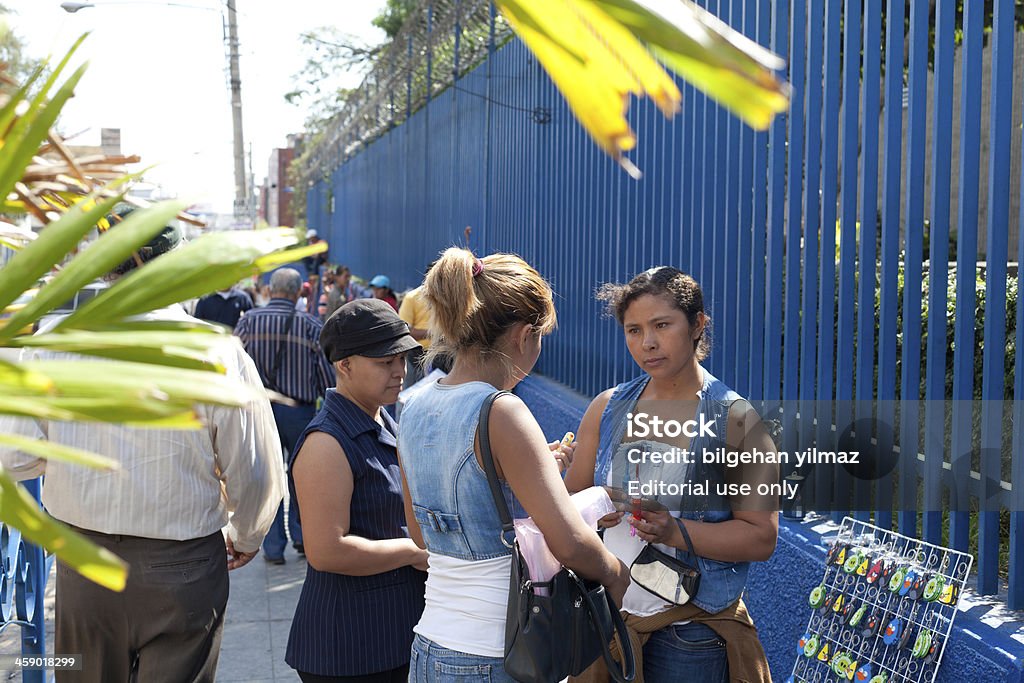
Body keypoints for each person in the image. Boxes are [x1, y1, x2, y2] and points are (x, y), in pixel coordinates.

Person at [0, 207, 284, 683]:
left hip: (84, 563)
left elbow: (16, 455)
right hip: (184, 568)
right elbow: (254, 468)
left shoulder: (55, 342)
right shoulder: (214, 351)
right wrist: (248, 534)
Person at [397, 247, 630, 683]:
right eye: (541, 338)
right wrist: (617, 574)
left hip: (429, 648)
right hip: (499, 653)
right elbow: (570, 544)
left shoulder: (412, 406)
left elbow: (422, 534)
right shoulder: (502, 411)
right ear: (524, 335)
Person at [565, 266, 777, 683]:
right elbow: (569, 505)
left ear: (698, 324)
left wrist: (673, 530)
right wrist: (596, 508)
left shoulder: (738, 421)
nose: (647, 343)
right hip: (608, 624)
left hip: (690, 636)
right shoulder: (607, 407)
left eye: (662, 325)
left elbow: (761, 536)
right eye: (633, 330)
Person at [286, 299, 427, 682]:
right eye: (385, 362)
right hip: (349, 647)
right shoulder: (326, 441)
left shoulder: (382, 417)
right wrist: (414, 551)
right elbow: (326, 550)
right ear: (344, 365)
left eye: (401, 358)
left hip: (390, 634)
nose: (399, 370)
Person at [235, 268, 334, 564]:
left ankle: (273, 547)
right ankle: (303, 537)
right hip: (300, 412)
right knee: (302, 476)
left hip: (259, 410)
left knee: (268, 479)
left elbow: (234, 368)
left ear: (270, 290)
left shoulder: (248, 322)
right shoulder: (311, 325)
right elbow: (326, 376)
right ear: (297, 293)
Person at [397, 284, 432, 387]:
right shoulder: (411, 297)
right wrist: (434, 333)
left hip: (439, 355)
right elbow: (405, 331)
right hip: (415, 354)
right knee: (409, 392)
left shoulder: (445, 297)